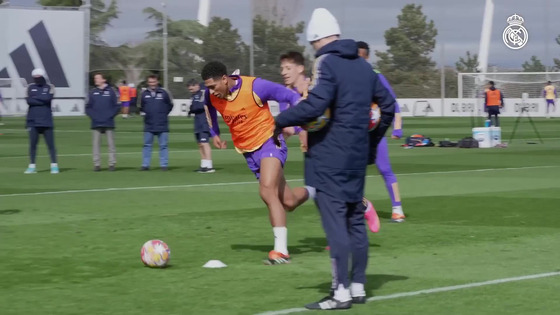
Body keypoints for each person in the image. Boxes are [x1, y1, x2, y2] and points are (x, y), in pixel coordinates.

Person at [274, 8, 396, 310]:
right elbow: (389, 106)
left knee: (335, 225)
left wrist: (278, 121)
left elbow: (316, 105)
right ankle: (357, 287)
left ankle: (339, 292)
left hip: (329, 157)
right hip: (355, 157)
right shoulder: (365, 67)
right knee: (356, 220)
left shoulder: (326, 62)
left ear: (315, 39)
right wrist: (370, 142)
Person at [201, 61, 314, 265]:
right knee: (288, 202)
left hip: (271, 142)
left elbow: (290, 96)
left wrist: (302, 123)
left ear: (224, 79)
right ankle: (317, 190)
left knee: (266, 190)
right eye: (207, 87)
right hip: (249, 153)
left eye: (212, 86)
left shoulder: (254, 86)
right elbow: (208, 108)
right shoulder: (212, 95)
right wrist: (214, 132)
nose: (210, 91)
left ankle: (281, 252)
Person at [279, 51, 380, 231]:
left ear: (301, 69)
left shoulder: (315, 87)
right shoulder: (285, 95)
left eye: (288, 68)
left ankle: (362, 208)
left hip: (329, 144)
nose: (284, 72)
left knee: (325, 190)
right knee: (321, 193)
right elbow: (289, 126)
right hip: (309, 150)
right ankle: (339, 230)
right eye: (282, 69)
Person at [356, 41, 406, 223]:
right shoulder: (349, 77)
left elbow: (392, 103)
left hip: (375, 133)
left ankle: (397, 208)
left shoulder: (376, 76)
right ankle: (358, 208)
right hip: (355, 134)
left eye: (361, 57)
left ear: (367, 57)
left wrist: (397, 127)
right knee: (354, 172)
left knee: (385, 169)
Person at [24, 68, 59, 174]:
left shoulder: (50, 87)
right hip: (32, 121)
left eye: (38, 77)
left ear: (43, 77)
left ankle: (54, 165)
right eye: (35, 78)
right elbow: (28, 100)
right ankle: (32, 166)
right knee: (33, 145)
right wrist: (41, 99)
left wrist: (36, 98)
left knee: (50, 145)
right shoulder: (29, 87)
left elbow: (48, 98)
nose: (36, 79)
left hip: (46, 120)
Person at [86, 73, 120, 172]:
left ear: (103, 80)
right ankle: (97, 164)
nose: (95, 80)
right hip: (96, 122)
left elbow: (117, 106)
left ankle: (112, 164)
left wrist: (109, 115)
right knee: (96, 144)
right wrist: (94, 117)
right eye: (95, 78)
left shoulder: (112, 91)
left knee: (111, 144)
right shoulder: (92, 92)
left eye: (97, 78)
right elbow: (88, 107)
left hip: (108, 122)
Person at [140, 75, 174, 171]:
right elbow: (141, 106)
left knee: (163, 145)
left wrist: (163, 114)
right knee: (147, 145)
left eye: (153, 82)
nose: (152, 84)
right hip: (148, 124)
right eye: (150, 82)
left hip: (162, 123)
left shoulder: (164, 92)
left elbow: (170, 105)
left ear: (157, 81)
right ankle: (145, 165)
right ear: (148, 83)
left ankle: (164, 165)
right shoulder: (144, 93)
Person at [187, 79, 214, 173]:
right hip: (197, 122)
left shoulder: (202, 93)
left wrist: (192, 109)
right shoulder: (193, 96)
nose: (190, 89)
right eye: (189, 88)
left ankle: (209, 166)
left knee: (204, 143)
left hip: (204, 122)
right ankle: (204, 165)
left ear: (197, 85)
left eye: (191, 87)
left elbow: (203, 105)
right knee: (200, 144)